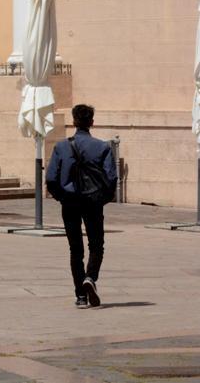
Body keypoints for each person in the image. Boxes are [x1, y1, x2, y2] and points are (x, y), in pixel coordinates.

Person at [45, 104, 119, 309]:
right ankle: (91, 278)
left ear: (74, 121)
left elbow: (51, 178)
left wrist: (61, 197)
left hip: (70, 201)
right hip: (93, 201)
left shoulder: (61, 147)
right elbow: (112, 179)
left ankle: (80, 296)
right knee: (96, 245)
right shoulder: (103, 147)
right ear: (92, 122)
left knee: (75, 249)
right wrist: (102, 199)